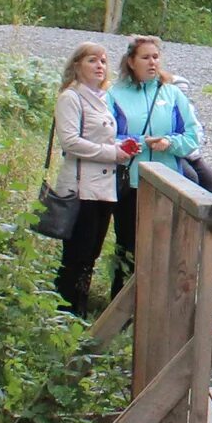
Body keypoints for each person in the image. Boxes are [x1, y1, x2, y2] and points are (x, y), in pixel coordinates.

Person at [107, 34, 203, 285]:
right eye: (145, 57)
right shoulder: (114, 95)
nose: (152, 62)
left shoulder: (172, 94)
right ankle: (121, 310)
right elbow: (106, 137)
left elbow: (193, 136)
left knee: (164, 246)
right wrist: (138, 143)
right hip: (130, 183)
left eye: (156, 57)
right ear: (130, 61)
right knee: (127, 247)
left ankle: (161, 308)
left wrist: (169, 143)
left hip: (167, 183)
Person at [48, 42, 129, 314]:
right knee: (76, 255)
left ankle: (78, 309)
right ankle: (65, 312)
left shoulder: (103, 98)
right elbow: (70, 142)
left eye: (104, 61)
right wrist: (112, 153)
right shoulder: (70, 98)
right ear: (77, 65)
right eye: (93, 60)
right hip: (80, 188)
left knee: (91, 255)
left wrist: (124, 147)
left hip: (104, 188)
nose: (99, 66)